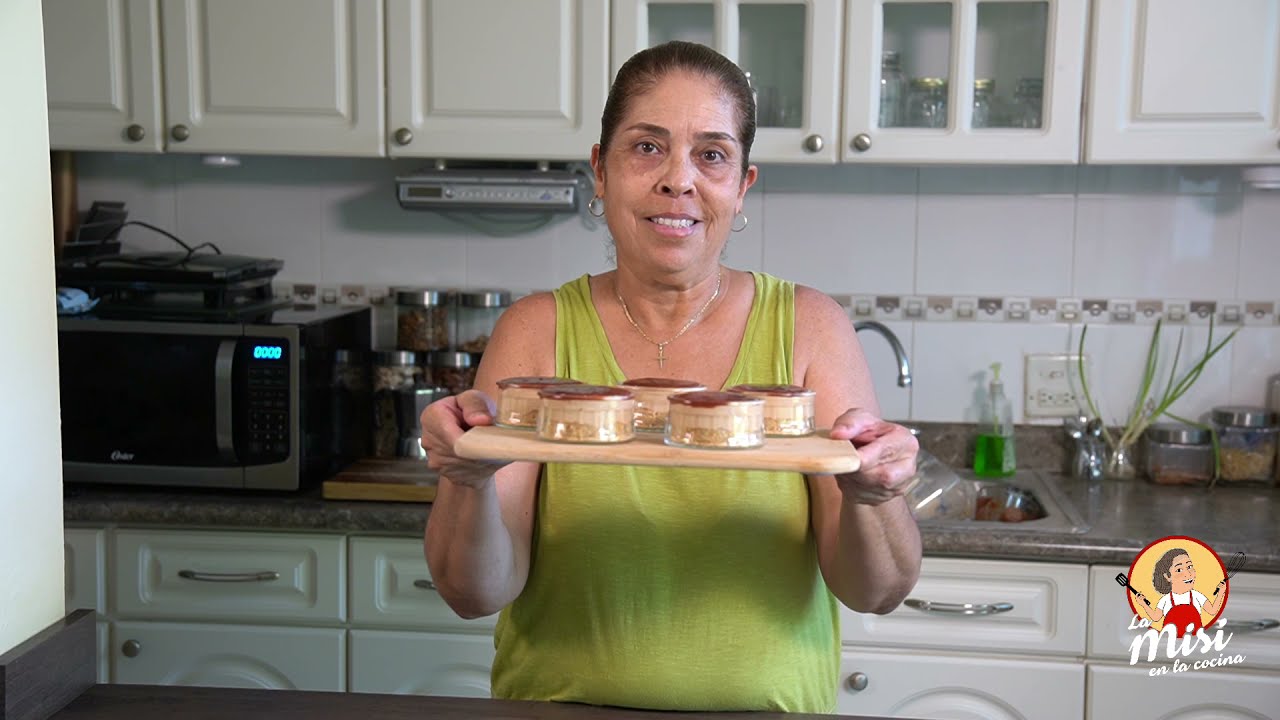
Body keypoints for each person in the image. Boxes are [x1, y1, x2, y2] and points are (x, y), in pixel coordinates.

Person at [420, 40, 922, 713]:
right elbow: (471, 593)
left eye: (711, 154)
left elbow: (878, 591)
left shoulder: (809, 328)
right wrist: (467, 478)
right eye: (647, 147)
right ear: (601, 170)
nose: (678, 180)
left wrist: (871, 497)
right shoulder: (537, 331)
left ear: (742, 185)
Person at [1136, 547, 1224, 637]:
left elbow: (1212, 611)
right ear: (1167, 576)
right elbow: (1156, 617)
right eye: (1179, 570)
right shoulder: (1165, 600)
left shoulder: (1196, 596)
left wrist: (1221, 593)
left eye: (1189, 567)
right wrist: (1143, 604)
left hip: (1194, 643)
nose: (1188, 573)